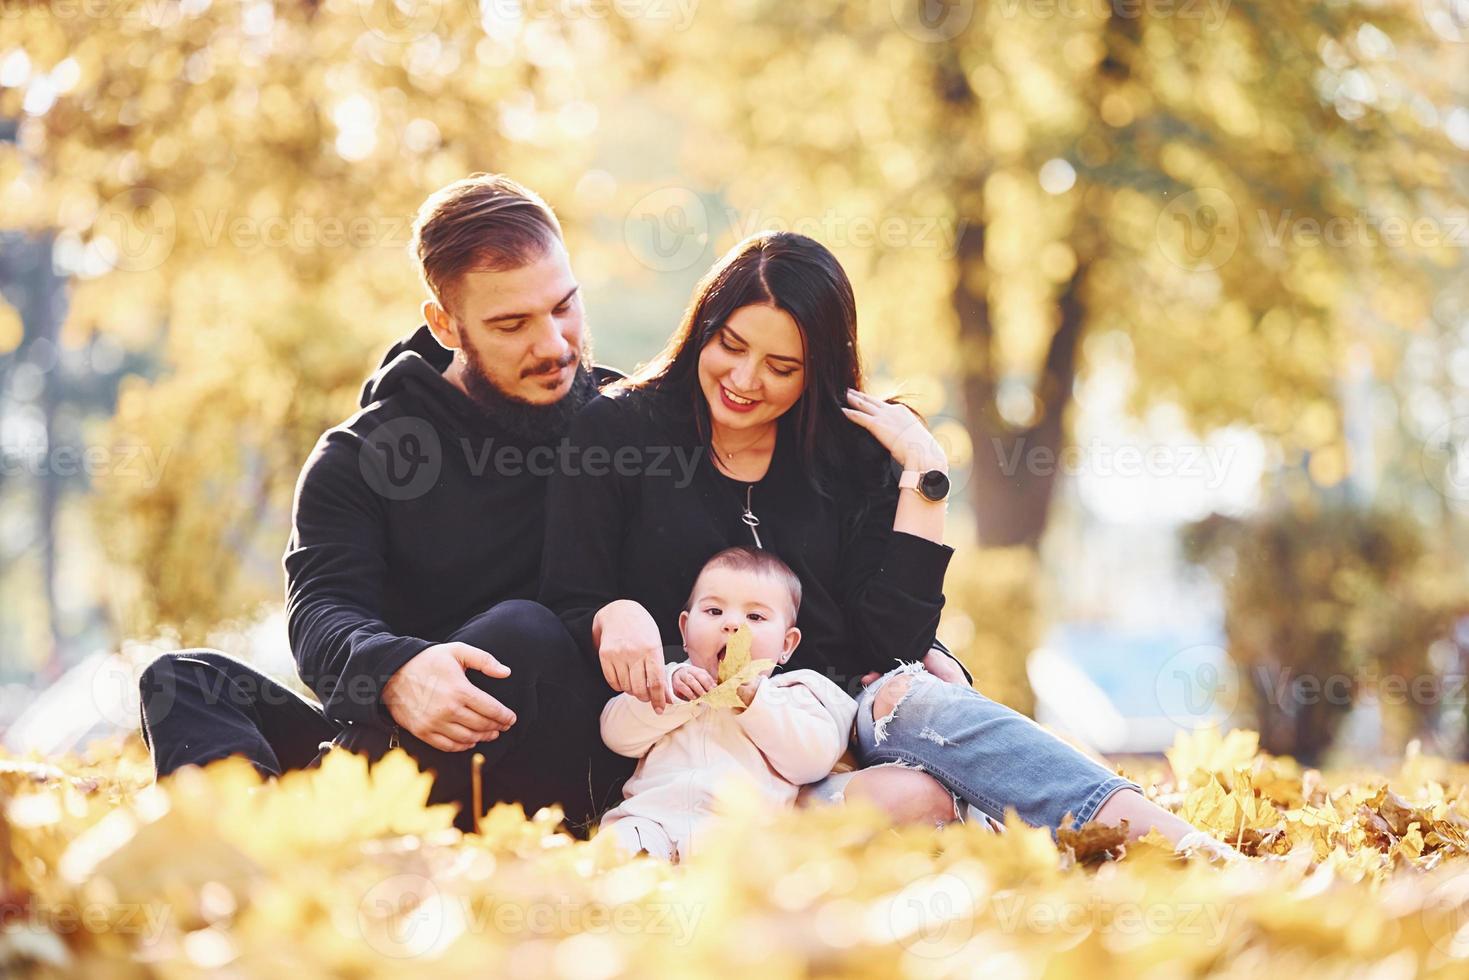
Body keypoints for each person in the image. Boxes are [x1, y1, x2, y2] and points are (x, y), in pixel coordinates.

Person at [540, 231, 1236, 856]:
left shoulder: (850, 455)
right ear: (702, 328)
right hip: (684, 750)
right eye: (730, 345)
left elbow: (890, 644)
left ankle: (1175, 847)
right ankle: (761, 837)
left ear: (818, 369)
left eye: (781, 366)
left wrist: (923, 480)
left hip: (828, 718)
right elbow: (566, 599)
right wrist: (611, 612)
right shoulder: (619, 434)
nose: (745, 380)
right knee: (920, 801)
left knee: (920, 696)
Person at [138, 174, 631, 833]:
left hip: (556, 759)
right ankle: (248, 852)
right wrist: (395, 670)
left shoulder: (626, 428)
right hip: (394, 753)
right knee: (181, 679)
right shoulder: (360, 457)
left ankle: (313, 833)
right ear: (445, 325)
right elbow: (321, 610)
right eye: (511, 324)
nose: (553, 344)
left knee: (522, 633)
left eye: (564, 306)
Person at [599, 546, 857, 862]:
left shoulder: (790, 696)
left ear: (786, 645)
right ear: (684, 628)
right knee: (621, 844)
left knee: (743, 860)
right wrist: (672, 696)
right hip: (651, 820)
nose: (732, 624)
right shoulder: (667, 683)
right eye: (714, 612)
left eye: (755, 616)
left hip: (739, 830)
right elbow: (615, 734)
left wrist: (756, 703)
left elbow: (813, 761)